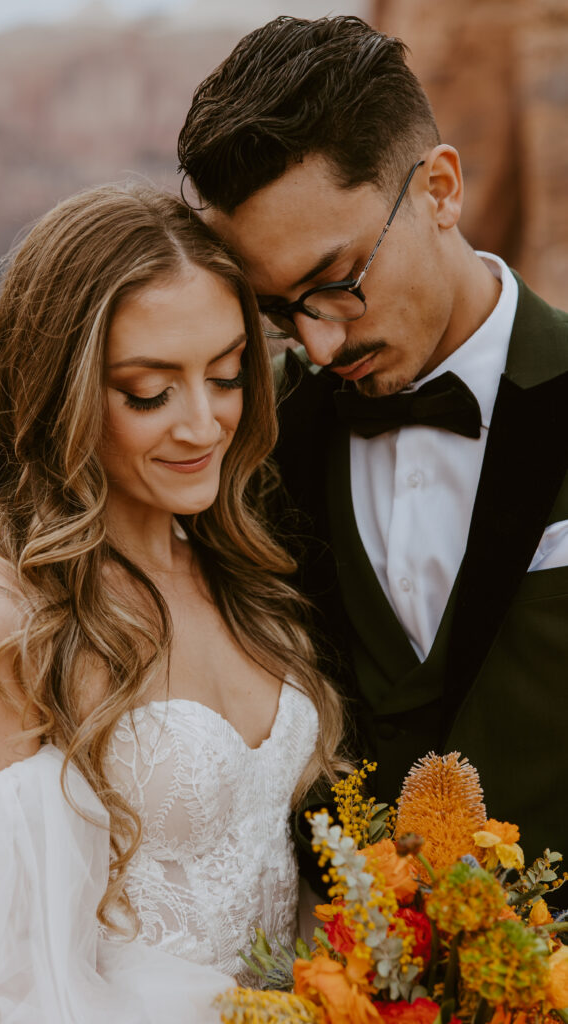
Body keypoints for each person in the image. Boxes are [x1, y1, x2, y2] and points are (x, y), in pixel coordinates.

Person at [0, 184, 347, 1022]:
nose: (204, 424)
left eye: (227, 374)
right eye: (149, 391)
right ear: (60, 390)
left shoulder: (240, 569)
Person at [177, 14, 568, 897]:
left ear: (439, 188)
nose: (316, 346)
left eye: (338, 283)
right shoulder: (243, 439)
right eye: (279, 312)